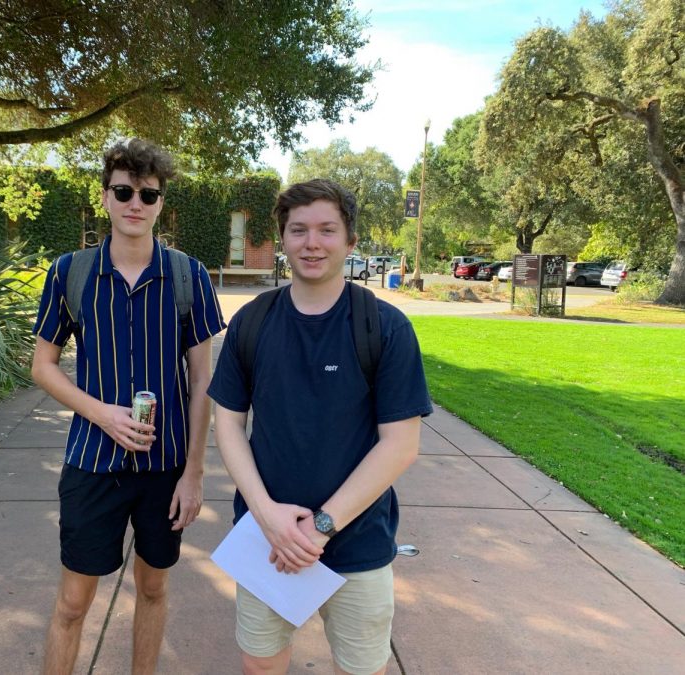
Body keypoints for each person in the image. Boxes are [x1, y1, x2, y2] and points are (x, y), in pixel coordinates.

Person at [208, 178, 432, 675]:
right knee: (260, 665)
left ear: (351, 241)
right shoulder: (253, 322)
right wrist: (267, 518)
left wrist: (320, 528)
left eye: (328, 230)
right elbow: (228, 427)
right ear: (283, 239)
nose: (312, 243)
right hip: (265, 543)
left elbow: (400, 446)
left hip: (358, 545)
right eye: (299, 230)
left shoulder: (385, 328)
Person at [31, 138, 225, 675]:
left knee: (155, 589)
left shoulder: (189, 277)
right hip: (93, 463)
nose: (134, 203)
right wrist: (102, 412)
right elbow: (42, 365)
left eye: (147, 193)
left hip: (165, 470)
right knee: (73, 604)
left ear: (161, 202)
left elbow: (202, 380)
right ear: (105, 197)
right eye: (123, 191)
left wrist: (194, 473)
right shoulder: (70, 272)